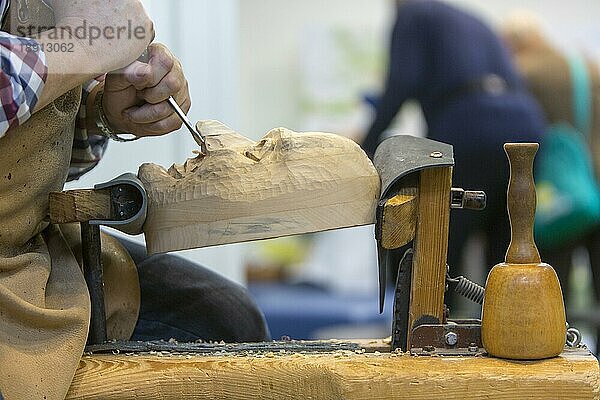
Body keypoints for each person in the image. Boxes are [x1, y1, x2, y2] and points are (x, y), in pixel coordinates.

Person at [0, 1, 268, 398]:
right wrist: (77, 47)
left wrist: (102, 111)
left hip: (27, 247)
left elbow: (26, 168)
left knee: (224, 318)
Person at [361, 0, 545, 303]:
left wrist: (366, 144)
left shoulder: (412, 13)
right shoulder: (473, 19)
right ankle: (510, 331)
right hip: (525, 126)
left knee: (437, 249)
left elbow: (401, 82)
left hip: (469, 127)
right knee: (508, 249)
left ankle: (430, 332)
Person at [503, 13, 600, 349]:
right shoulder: (587, 65)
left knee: (555, 285)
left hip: (558, 193)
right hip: (594, 183)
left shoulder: (526, 71)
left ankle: (561, 352)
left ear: (515, 41)